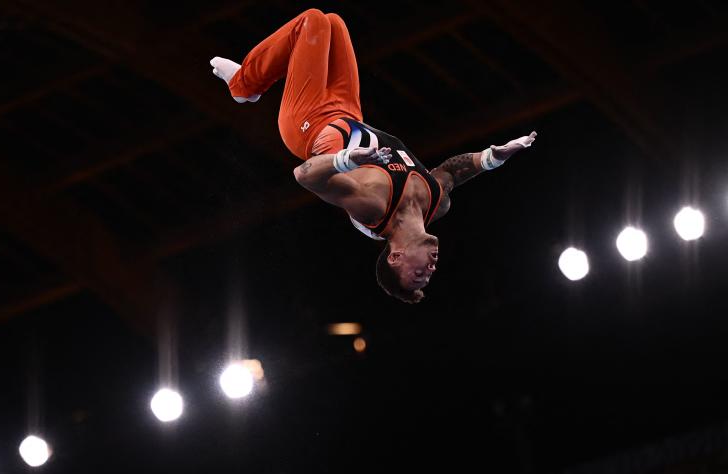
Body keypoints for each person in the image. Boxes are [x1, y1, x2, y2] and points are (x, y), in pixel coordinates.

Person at [210, 9, 536, 302]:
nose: (431, 269)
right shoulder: (435, 203)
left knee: (312, 23)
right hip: (348, 110)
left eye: (419, 274)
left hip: (306, 126)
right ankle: (248, 82)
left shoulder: (373, 208)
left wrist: (345, 161)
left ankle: (243, 85)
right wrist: (493, 156)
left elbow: (305, 175)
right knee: (334, 22)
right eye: (429, 276)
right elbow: (453, 172)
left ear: (395, 257)